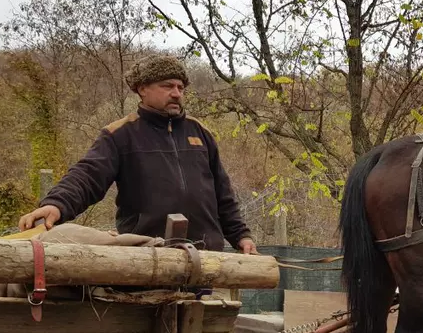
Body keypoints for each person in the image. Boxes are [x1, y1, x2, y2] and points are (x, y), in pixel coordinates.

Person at [18, 55, 257, 254]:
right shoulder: (120, 134)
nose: (176, 93)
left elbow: (223, 194)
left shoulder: (200, 133)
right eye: (167, 86)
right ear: (142, 89)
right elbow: (88, 176)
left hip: (205, 255)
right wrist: (57, 204)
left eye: (180, 87)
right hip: (146, 254)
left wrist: (241, 236)